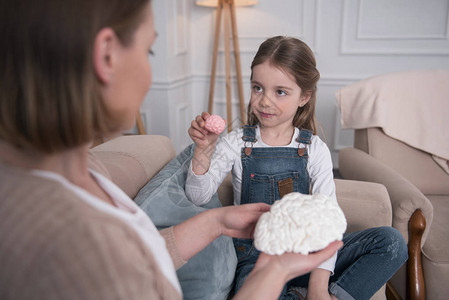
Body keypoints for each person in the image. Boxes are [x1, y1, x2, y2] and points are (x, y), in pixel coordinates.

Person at [0, 1, 344, 299]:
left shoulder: (78, 171)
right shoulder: (67, 232)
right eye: (149, 51)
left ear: (304, 97)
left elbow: (131, 262)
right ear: (106, 55)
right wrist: (273, 272)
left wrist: (216, 222)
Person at [186, 36, 408, 300]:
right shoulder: (237, 143)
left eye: (280, 91)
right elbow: (197, 197)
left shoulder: (314, 148)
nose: (265, 101)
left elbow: (329, 220)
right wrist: (203, 150)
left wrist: (318, 287)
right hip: (258, 259)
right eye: (258, 88)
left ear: (304, 96)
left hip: (307, 253)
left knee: (391, 242)